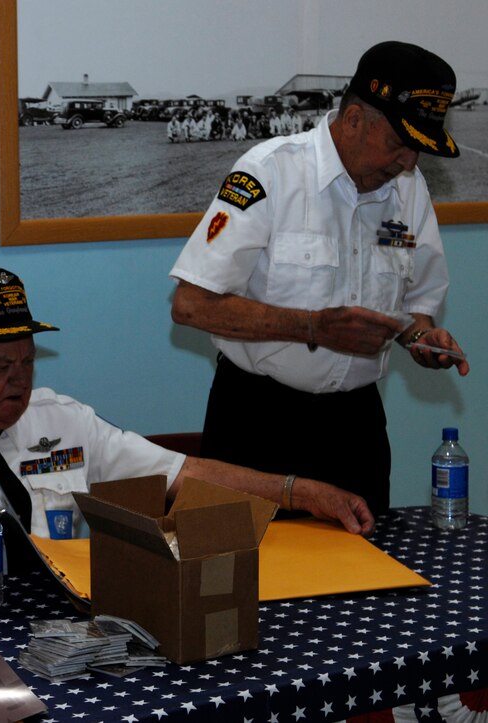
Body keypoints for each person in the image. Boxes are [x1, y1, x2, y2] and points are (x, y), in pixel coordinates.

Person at [0, 268, 374, 584]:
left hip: (58, 620)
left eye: (28, 362)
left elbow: (184, 474)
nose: (19, 380)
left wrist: (298, 491)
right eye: (1, 367)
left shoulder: (65, 420)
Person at [169, 41, 469, 516]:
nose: (409, 162)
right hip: (257, 424)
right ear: (353, 120)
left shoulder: (409, 190)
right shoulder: (269, 173)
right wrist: (312, 327)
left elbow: (415, 307)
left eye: (419, 150)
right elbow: (190, 305)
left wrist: (422, 336)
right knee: (248, 583)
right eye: (400, 143)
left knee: (370, 583)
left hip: (355, 429)